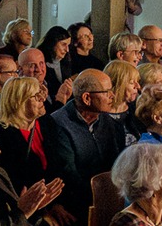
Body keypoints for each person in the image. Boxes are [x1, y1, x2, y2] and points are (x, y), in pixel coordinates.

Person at [39, 69, 129, 213]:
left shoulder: (108, 120)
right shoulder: (58, 124)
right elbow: (69, 176)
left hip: (111, 197)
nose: (113, 96)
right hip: (77, 204)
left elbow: (117, 161)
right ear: (87, 98)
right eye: (107, 92)